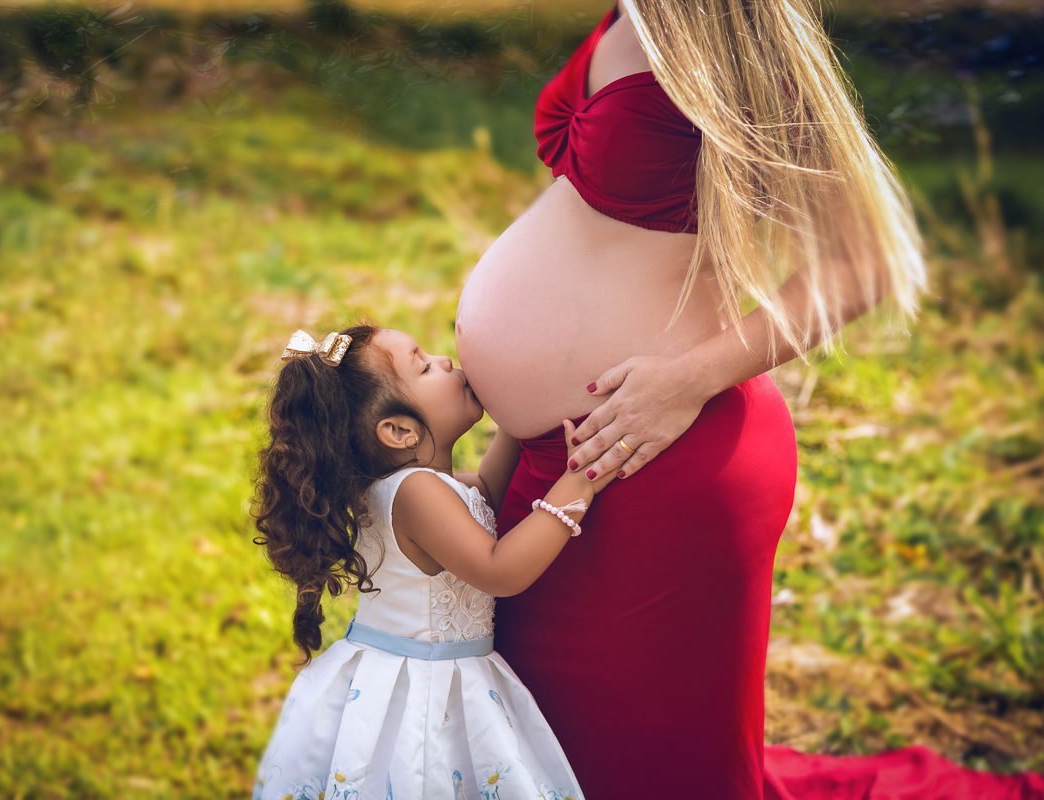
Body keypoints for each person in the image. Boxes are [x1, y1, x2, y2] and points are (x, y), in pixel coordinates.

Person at [454, 0, 927, 797]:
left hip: (659, 461)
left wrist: (689, 380)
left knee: (636, 766)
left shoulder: (735, 25)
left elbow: (862, 262)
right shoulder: (630, 10)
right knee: (536, 752)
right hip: (562, 460)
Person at [249, 324, 611, 800]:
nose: (443, 362)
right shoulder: (415, 493)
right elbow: (501, 571)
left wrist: (514, 409)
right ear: (399, 431)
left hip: (447, 674)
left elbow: (490, 489)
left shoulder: (426, 487)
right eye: (423, 366)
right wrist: (580, 479)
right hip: (422, 693)